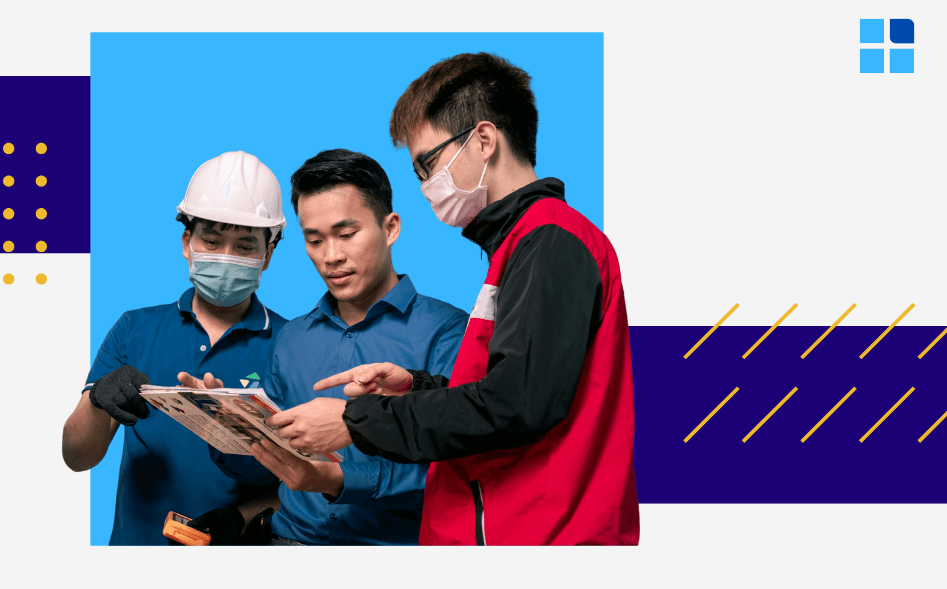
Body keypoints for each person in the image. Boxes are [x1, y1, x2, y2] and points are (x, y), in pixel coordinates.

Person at [278, 53, 640, 545]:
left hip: (543, 537)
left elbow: (517, 405)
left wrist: (353, 420)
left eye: (428, 163)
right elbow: (520, 386)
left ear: (484, 140)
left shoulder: (549, 241)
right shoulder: (520, 245)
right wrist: (419, 385)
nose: (427, 187)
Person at [196, 149, 468, 546]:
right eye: (315, 239)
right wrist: (223, 427)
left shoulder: (447, 332)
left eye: (346, 234)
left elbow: (456, 472)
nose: (331, 256)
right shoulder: (293, 338)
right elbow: (271, 469)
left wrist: (336, 480)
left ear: (390, 228)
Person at [61, 151, 288, 545]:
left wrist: (242, 516)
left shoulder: (293, 343)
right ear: (188, 241)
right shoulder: (135, 329)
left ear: (267, 255)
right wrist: (99, 400)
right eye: (212, 241)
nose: (225, 258)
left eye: (245, 247)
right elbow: (77, 457)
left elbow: (312, 480)